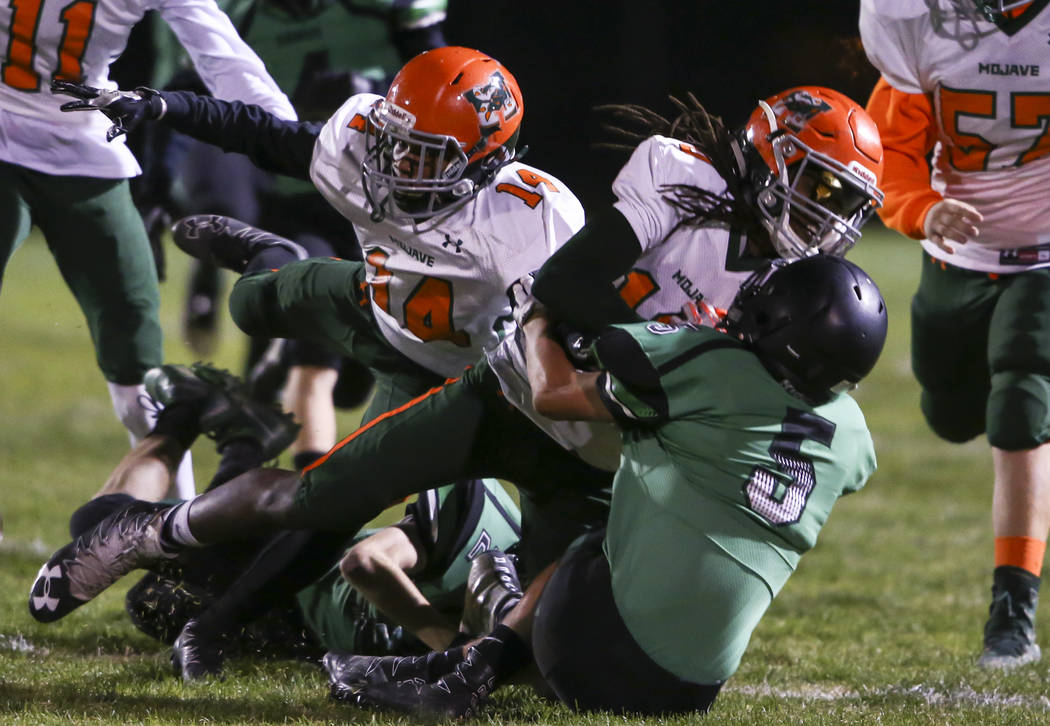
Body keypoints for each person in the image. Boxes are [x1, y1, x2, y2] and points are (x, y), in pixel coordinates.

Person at [28, 82, 885, 647]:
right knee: (319, 478)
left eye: (845, 200)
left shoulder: (797, 282)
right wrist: (656, 365)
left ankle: (248, 590)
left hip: (577, 432)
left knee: (541, 636)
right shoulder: (676, 175)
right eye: (821, 184)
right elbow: (570, 283)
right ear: (769, 153)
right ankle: (151, 535)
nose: (828, 213)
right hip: (488, 376)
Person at [323, 254, 888, 718]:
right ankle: (470, 652)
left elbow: (553, 391)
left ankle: (465, 673)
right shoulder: (853, 439)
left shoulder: (713, 366)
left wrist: (537, 317)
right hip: (693, 692)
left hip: (591, 656)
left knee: (592, 538)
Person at [0, 0, 296, 501]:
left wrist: (289, 137)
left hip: (84, 146)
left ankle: (175, 522)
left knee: (138, 357)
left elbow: (221, 54)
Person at [64, 361, 523, 679]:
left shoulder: (530, 637)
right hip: (283, 571)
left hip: (300, 633)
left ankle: (244, 437)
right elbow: (366, 563)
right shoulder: (492, 529)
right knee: (97, 526)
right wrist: (444, 641)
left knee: (151, 606)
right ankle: (187, 416)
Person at [859, 0, 1050, 669]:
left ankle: (1012, 612)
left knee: (1021, 403)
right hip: (955, 261)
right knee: (949, 412)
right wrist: (924, 208)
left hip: (1045, 259)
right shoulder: (919, 19)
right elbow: (895, 154)